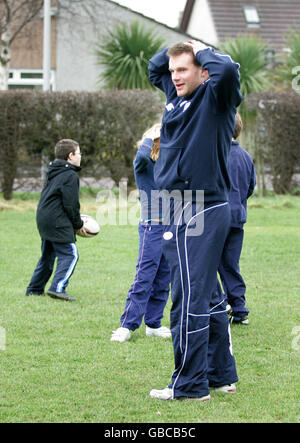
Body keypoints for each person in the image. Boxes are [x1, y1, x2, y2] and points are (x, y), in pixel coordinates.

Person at [148, 40, 242, 401]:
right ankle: (219, 376)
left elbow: (229, 70)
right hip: (180, 207)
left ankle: (189, 386)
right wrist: (179, 48)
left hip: (200, 208)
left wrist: (201, 50)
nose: (175, 77)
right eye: (174, 72)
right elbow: (156, 67)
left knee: (188, 298)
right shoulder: (176, 95)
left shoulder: (216, 99)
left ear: (203, 71)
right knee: (209, 295)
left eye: (183, 70)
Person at [111, 124, 171, 343]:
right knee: (145, 275)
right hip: (152, 227)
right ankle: (127, 325)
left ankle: (153, 323)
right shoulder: (144, 164)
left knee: (164, 277)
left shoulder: (167, 164)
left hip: (171, 226)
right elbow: (142, 157)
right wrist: (151, 136)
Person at [25, 139, 87, 302]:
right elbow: (71, 204)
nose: (81, 156)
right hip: (57, 220)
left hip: (44, 218)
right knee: (71, 254)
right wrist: (78, 224)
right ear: (70, 155)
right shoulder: (70, 175)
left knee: (48, 255)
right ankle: (57, 288)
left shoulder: (53, 170)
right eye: (79, 153)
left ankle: (34, 289)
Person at [218, 112, 256, 325]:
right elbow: (250, 187)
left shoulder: (216, 155)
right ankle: (239, 307)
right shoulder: (246, 157)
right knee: (231, 263)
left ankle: (217, 304)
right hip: (237, 217)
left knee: (210, 262)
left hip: (216, 217)